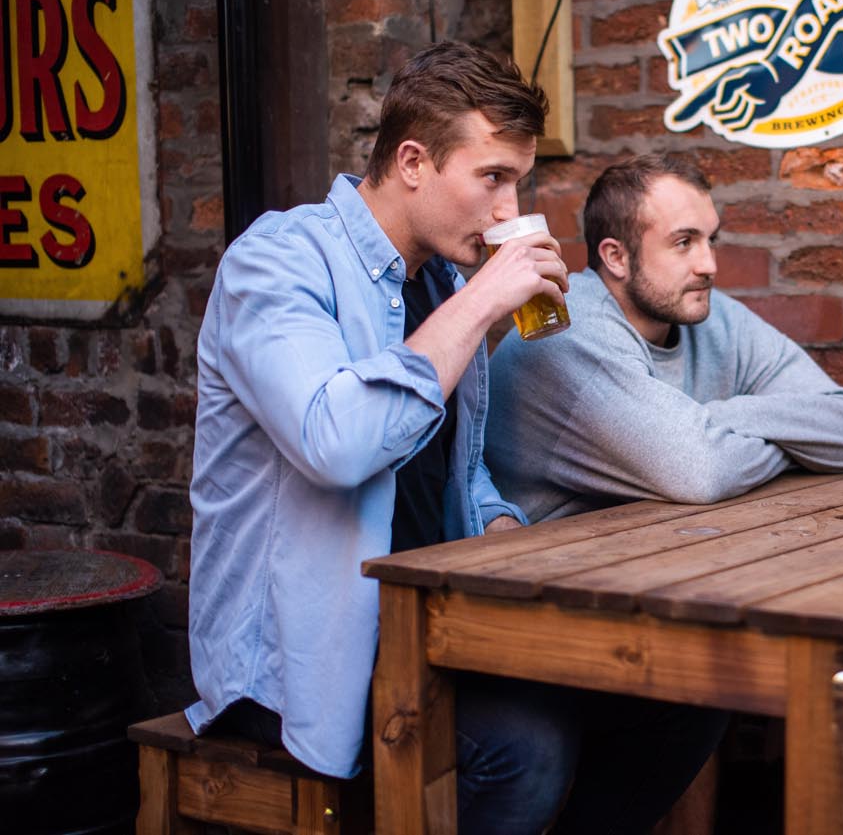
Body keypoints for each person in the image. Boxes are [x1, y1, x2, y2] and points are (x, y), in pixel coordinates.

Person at [187, 42, 718, 835]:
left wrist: (503, 526)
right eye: (493, 178)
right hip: (299, 661)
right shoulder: (276, 262)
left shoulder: (436, 281)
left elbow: (451, 474)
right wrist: (480, 308)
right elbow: (336, 444)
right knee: (523, 746)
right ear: (412, 161)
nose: (510, 210)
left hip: (427, 632)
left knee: (682, 702)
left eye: (519, 182)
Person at [485, 154, 843, 523]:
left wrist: (717, 418)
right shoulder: (571, 333)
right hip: (535, 575)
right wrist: (795, 445)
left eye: (711, 240)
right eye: (684, 243)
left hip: (662, 553)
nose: (708, 264)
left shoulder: (709, 312)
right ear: (616, 258)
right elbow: (702, 471)